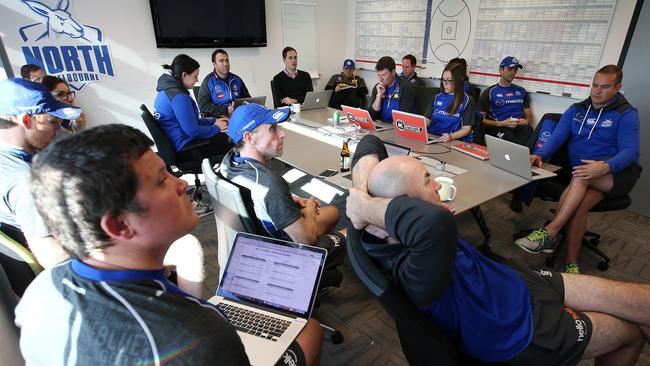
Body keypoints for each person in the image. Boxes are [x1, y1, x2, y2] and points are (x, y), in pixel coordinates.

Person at [15, 124, 323, 365]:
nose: (183, 184)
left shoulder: (41, 290)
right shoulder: (197, 336)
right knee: (309, 330)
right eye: (162, 180)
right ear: (120, 225)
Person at [347, 134, 650, 366]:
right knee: (631, 333)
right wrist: (364, 206)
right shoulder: (413, 267)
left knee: (641, 302)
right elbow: (435, 223)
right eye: (428, 181)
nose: (438, 186)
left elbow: (370, 141)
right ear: (404, 206)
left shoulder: (382, 235)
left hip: (512, 282)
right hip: (517, 329)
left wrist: (360, 197)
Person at [0, 78, 206, 298]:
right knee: (187, 247)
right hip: (85, 266)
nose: (59, 130)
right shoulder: (24, 180)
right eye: (53, 122)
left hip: (85, 241)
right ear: (26, 120)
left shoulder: (12, 162)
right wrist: (130, 264)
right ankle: (190, 311)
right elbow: (52, 256)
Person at [515, 65, 641, 274]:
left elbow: (631, 151)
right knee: (579, 205)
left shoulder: (626, 114)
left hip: (617, 174)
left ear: (618, 87)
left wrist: (604, 166)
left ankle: (550, 232)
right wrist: (540, 154)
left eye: (605, 87)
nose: (597, 91)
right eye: (594, 85)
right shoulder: (577, 109)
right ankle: (571, 264)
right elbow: (557, 136)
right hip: (584, 175)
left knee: (581, 176)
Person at [219, 103, 340, 245]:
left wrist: (288, 199)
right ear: (250, 138)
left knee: (332, 213)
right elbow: (306, 240)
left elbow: (257, 196)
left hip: (253, 239)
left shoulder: (229, 161)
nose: (282, 134)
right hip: (282, 251)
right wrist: (310, 210)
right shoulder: (269, 184)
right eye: (273, 129)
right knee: (350, 232)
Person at [154, 54, 231, 160]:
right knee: (229, 141)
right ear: (184, 75)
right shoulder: (179, 97)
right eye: (195, 76)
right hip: (187, 149)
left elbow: (190, 121)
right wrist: (217, 128)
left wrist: (213, 121)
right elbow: (193, 131)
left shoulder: (166, 89)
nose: (197, 80)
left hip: (177, 145)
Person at [478, 56, 533, 146]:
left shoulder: (521, 91)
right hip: (499, 127)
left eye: (515, 70)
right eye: (510, 69)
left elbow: (529, 116)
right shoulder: (489, 92)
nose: (513, 72)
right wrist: (501, 123)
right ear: (501, 70)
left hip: (519, 127)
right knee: (510, 138)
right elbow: (480, 120)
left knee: (529, 131)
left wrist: (526, 121)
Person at [424, 62, 475, 142]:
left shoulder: (467, 100)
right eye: (443, 80)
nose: (444, 84)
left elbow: (466, 129)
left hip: (451, 140)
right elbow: (427, 121)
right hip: (431, 137)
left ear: (458, 81)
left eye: (448, 80)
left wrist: (451, 136)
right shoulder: (437, 97)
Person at [198, 49, 251, 118]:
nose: (225, 64)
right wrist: (225, 110)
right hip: (220, 118)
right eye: (221, 61)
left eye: (227, 60)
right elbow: (203, 106)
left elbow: (248, 99)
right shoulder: (208, 82)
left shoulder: (236, 79)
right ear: (214, 64)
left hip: (239, 116)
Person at [368, 56, 416, 123]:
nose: (380, 79)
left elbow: (404, 119)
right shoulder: (378, 87)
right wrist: (378, 97)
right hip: (382, 126)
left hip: (399, 128)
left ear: (393, 72)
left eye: (384, 75)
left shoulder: (405, 87)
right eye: (378, 75)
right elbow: (370, 117)